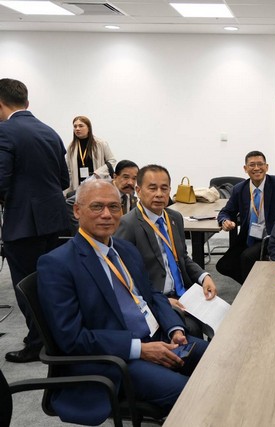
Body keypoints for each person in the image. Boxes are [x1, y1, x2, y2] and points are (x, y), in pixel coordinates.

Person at [37, 180, 208, 425]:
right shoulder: (58, 264)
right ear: (77, 211)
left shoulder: (125, 249)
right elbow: (72, 339)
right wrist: (140, 349)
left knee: (219, 359)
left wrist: (175, 329)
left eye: (114, 207)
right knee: (192, 393)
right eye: (97, 207)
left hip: (159, 337)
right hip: (115, 359)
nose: (107, 214)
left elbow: (152, 295)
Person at [0, 78, 70, 363]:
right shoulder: (50, 131)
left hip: (23, 223)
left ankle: (37, 343)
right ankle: (53, 336)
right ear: (26, 102)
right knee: (49, 282)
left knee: (26, 286)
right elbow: (63, 180)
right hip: (54, 220)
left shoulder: (5, 131)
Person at [115, 164, 217, 337]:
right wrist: (162, 301)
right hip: (157, 299)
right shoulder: (128, 224)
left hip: (185, 293)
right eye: (152, 188)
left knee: (223, 318)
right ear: (138, 190)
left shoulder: (174, 218)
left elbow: (182, 257)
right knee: (193, 329)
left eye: (164, 188)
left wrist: (204, 276)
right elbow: (125, 276)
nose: (159, 194)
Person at [217, 151, 275, 283]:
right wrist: (225, 220)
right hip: (249, 237)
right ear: (245, 168)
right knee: (223, 265)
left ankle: (251, 290)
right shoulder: (239, 189)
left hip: (272, 236)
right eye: (252, 165)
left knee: (247, 257)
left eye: (260, 164)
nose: (256, 168)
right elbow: (226, 211)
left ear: (266, 167)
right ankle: (255, 284)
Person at [65, 115, 116, 193]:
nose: (77, 129)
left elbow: (112, 161)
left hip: (97, 184)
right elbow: (68, 170)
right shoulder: (71, 147)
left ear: (88, 128)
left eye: (81, 126)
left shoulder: (100, 143)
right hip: (78, 188)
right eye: (75, 126)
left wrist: (99, 172)